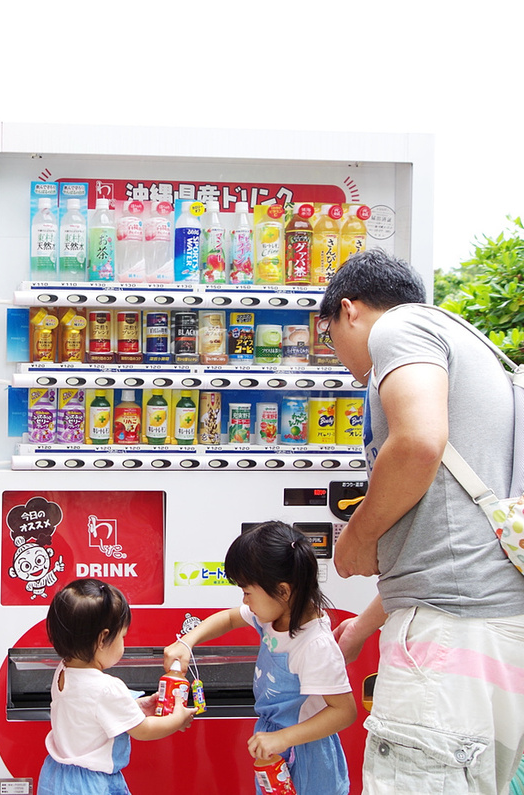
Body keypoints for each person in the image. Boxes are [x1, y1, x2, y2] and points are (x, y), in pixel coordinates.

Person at [320, 249, 524, 794]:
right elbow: (449, 539)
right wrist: (363, 627)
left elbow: (416, 443)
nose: (338, 356)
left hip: (444, 642)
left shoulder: (401, 327)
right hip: (494, 634)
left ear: (349, 311)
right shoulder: (476, 351)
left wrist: (358, 538)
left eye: (329, 335)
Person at [164, 521, 356, 795]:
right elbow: (230, 618)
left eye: (247, 592)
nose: (246, 601)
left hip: (307, 753)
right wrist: (187, 641)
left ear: (283, 590)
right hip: (274, 744)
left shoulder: (314, 645)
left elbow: (344, 711)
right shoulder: (273, 617)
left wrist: (284, 737)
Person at [39, 578, 195, 795]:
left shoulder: (63, 670)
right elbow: (144, 730)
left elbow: (88, 714)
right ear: (103, 639)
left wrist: (136, 707)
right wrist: (177, 719)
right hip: (92, 783)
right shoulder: (107, 688)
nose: (124, 643)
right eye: (123, 636)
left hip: (59, 776)